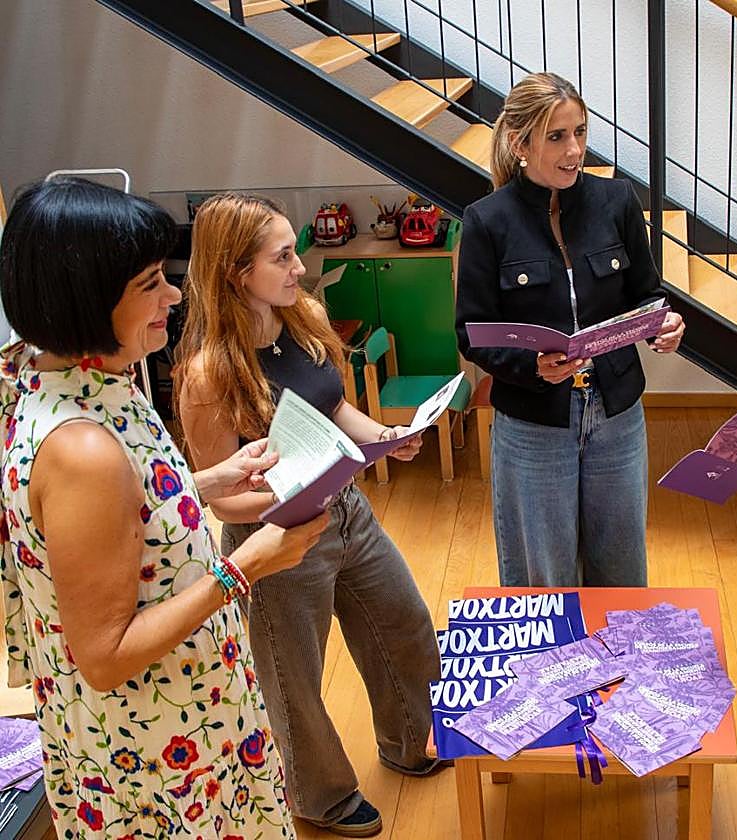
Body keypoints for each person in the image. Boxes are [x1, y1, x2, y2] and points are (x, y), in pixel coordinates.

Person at [0, 176, 327, 838]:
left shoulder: (67, 375)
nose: (174, 295)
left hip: (185, 707)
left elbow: (120, 519)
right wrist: (246, 565)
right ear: (86, 298)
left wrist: (201, 481)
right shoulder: (82, 450)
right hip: (158, 752)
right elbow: (106, 655)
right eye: (150, 283)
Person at [174, 193, 441, 838]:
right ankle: (320, 798)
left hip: (346, 509)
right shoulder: (209, 373)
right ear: (238, 273)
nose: (300, 267)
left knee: (404, 622)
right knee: (295, 676)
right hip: (276, 538)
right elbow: (219, 497)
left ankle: (408, 743)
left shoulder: (305, 319)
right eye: (284, 256)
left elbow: (333, 410)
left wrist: (385, 434)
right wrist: (290, 492)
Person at [454, 72, 685, 588]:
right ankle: (551, 670)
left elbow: (646, 293)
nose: (574, 149)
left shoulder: (617, 201)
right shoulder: (486, 221)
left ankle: (620, 669)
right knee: (544, 575)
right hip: (533, 424)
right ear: (520, 143)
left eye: (580, 132)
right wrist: (531, 367)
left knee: (621, 568)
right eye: (557, 136)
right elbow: (471, 333)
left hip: (617, 415)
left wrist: (663, 325)